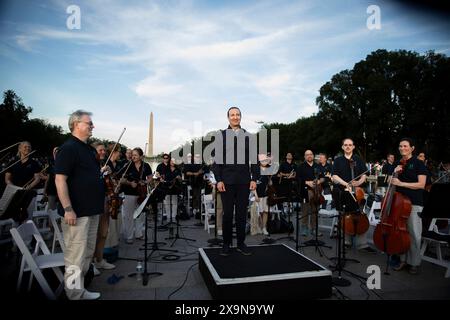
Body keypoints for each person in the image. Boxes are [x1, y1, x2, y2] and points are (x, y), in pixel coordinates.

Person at [54, 110, 105, 300]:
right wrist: (68, 209)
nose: (92, 126)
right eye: (89, 123)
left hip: (92, 211)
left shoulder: (89, 149)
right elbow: (60, 180)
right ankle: (74, 294)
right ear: (76, 124)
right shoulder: (68, 148)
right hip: (77, 213)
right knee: (75, 256)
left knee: (86, 254)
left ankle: (80, 289)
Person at [213, 107, 259, 256]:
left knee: (241, 215)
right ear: (228, 118)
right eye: (232, 115)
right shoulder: (221, 136)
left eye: (237, 115)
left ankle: (240, 243)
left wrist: (255, 178)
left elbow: (254, 160)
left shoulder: (249, 136)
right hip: (226, 182)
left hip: (244, 182)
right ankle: (226, 243)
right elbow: (216, 161)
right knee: (227, 215)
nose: (235, 117)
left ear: (240, 117)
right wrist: (218, 180)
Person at [331, 138, 375, 253]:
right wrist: (346, 184)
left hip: (358, 191)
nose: (348, 147)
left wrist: (359, 182)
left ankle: (362, 243)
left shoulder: (358, 159)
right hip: (343, 191)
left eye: (350, 145)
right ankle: (347, 241)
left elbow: (364, 175)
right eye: (345, 145)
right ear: (342, 147)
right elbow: (334, 176)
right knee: (346, 215)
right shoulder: (338, 160)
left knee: (360, 213)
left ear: (353, 147)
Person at [392, 138, 427, 274]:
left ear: (412, 148)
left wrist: (402, 184)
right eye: (400, 146)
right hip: (398, 203)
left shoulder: (418, 164)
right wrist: (394, 173)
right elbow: (389, 180)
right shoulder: (396, 163)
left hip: (414, 203)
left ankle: (414, 263)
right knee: (401, 233)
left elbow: (421, 184)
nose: (402, 148)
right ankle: (402, 260)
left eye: (405, 146)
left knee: (414, 234)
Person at [93, 143, 122, 271]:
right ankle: (91, 262)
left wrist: (109, 174)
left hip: (105, 200)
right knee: (93, 234)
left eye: (104, 150)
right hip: (93, 202)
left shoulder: (104, 164)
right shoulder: (90, 164)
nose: (103, 152)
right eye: (100, 150)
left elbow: (109, 183)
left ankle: (99, 260)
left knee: (103, 233)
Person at [119, 147, 152, 244]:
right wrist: (130, 183)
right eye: (132, 155)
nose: (133, 157)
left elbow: (150, 178)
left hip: (141, 193)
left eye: (135, 155)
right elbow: (121, 179)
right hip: (129, 193)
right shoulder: (128, 165)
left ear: (141, 156)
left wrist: (145, 182)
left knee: (141, 215)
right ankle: (129, 235)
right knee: (128, 215)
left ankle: (138, 233)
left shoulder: (146, 165)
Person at [5, 141, 42, 221]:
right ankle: (15, 232)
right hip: (15, 193)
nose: (27, 148)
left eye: (29, 147)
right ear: (20, 148)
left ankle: (26, 232)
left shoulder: (34, 163)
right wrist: (13, 188)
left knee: (28, 218)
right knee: (15, 217)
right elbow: (7, 179)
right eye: (25, 147)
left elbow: (37, 178)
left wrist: (28, 187)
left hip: (29, 193)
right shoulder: (13, 162)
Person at [297, 150, 323, 237]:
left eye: (311, 154)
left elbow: (323, 178)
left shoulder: (318, 166)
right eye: (307, 155)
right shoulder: (301, 166)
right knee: (305, 210)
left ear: (313, 156)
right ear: (305, 157)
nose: (309, 156)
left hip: (316, 192)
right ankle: (304, 228)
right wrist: (307, 182)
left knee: (315, 211)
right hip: (305, 191)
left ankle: (314, 229)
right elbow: (297, 178)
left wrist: (319, 181)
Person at [254, 153, 272, 236]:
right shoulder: (256, 170)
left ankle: (264, 227)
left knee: (266, 211)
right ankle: (260, 226)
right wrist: (255, 195)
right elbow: (253, 183)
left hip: (266, 195)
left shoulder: (269, 170)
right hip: (258, 194)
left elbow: (270, 183)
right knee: (259, 212)